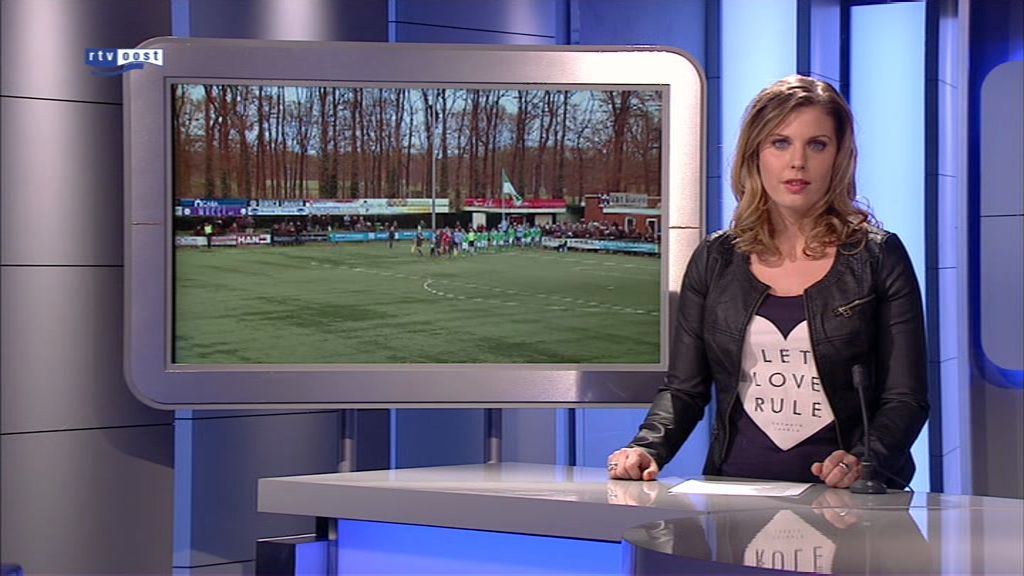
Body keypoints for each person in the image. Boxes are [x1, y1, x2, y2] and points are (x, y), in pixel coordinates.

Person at [607, 75, 928, 490]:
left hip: (848, 502)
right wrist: (647, 448)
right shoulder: (715, 258)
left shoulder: (878, 257)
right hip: (734, 495)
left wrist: (864, 461)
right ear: (755, 153)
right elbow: (684, 389)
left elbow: (906, 398)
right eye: (780, 143)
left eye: (817, 145)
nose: (798, 162)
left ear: (839, 157)